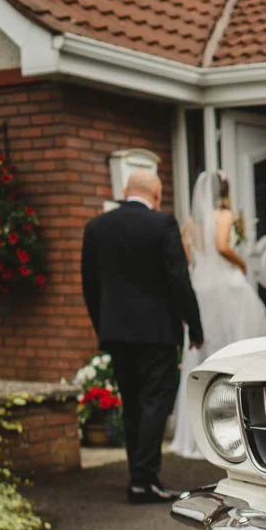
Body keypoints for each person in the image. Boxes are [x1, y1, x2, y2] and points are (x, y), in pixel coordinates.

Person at [80, 170, 203, 504]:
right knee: (155, 402)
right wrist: (194, 327)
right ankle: (143, 481)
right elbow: (178, 279)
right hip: (156, 333)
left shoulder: (96, 227)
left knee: (132, 404)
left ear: (125, 191)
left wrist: (103, 326)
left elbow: (90, 285)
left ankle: (139, 477)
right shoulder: (162, 224)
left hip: (116, 333)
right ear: (157, 193)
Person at [169, 171, 266, 458]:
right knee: (237, 347)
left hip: (201, 288)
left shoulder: (191, 224)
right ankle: (237, 425)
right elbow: (222, 245)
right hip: (228, 289)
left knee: (203, 350)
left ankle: (194, 434)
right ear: (224, 191)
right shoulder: (224, 215)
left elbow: (190, 257)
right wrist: (241, 263)